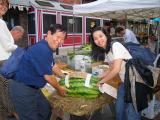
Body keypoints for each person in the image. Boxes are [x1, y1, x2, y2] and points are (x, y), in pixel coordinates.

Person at [8, 24, 67, 120]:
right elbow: (48, 77)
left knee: (45, 110)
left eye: (62, 39)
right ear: (49, 34)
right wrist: (60, 88)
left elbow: (53, 65)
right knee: (30, 116)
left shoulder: (46, 47)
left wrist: (64, 77)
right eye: (58, 37)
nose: (59, 41)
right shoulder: (42, 49)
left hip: (35, 87)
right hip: (22, 88)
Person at [91, 26, 141, 120]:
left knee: (131, 114)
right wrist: (96, 77)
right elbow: (110, 68)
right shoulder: (107, 51)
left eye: (100, 36)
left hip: (135, 83)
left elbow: (116, 69)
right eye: (95, 38)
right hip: (124, 83)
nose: (99, 40)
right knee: (119, 111)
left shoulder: (115, 45)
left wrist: (102, 81)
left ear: (106, 35)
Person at [0, 0, 19, 119]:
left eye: (6, 5)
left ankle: (6, 113)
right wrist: (21, 49)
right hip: (4, 62)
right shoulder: (0, 23)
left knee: (2, 91)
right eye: (1, 4)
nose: (4, 7)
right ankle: (13, 113)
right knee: (9, 89)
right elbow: (7, 46)